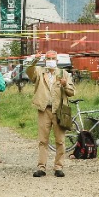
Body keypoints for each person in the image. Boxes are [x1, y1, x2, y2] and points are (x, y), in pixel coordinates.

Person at [27, 49, 76, 178]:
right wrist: (35, 59)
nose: (51, 61)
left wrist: (65, 85)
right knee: (43, 140)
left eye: (53, 58)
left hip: (58, 111)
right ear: (45, 60)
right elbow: (29, 72)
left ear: (57, 61)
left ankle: (58, 167)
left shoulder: (64, 73)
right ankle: (41, 167)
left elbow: (72, 92)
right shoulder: (39, 71)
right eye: (48, 58)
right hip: (44, 109)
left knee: (60, 140)